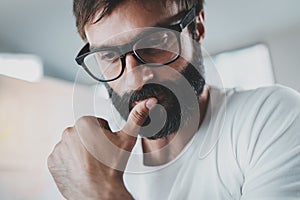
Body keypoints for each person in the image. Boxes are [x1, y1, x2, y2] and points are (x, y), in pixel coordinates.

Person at [47, 0, 300, 199]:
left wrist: (104, 195)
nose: (136, 80)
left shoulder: (272, 117)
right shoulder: (84, 164)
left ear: (197, 28)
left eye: (155, 41)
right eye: (109, 56)